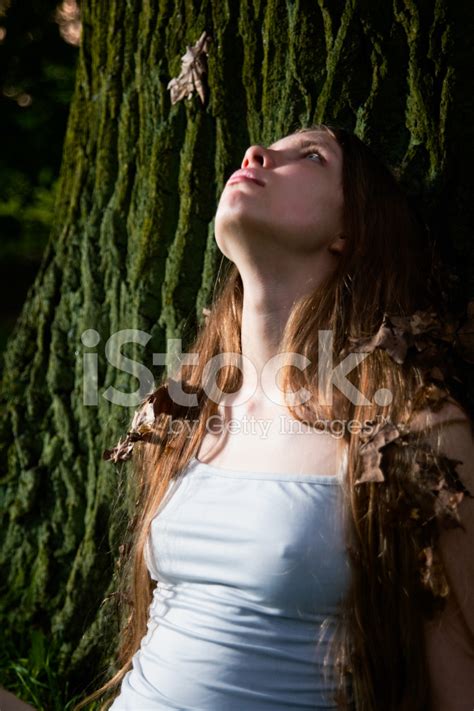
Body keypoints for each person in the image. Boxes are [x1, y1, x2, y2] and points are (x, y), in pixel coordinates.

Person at [76, 123, 474, 710]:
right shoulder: (184, 414)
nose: (256, 154)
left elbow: (457, 684)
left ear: (350, 231)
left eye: (310, 156)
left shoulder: (413, 431)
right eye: (267, 147)